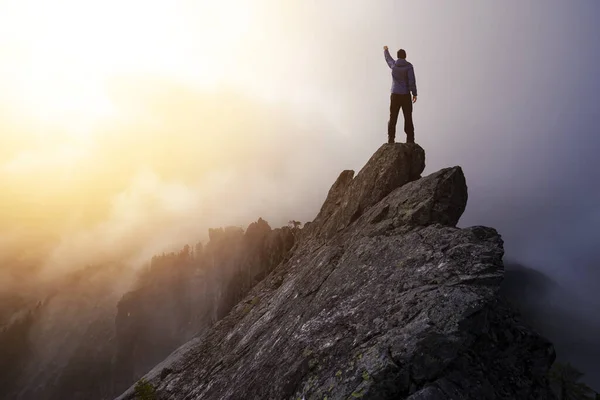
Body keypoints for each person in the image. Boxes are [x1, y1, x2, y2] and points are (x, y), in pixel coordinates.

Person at [384, 46, 418, 144]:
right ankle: (410, 140)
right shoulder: (409, 66)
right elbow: (412, 81)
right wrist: (414, 93)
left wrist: (386, 50)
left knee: (393, 117)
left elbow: (388, 58)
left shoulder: (394, 65)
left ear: (398, 56)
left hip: (395, 94)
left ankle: (391, 139)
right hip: (405, 95)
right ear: (405, 56)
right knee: (408, 117)